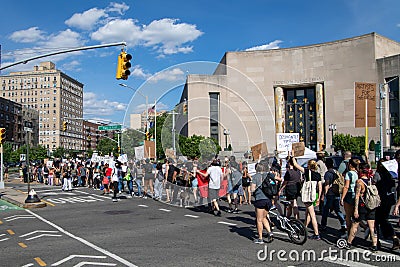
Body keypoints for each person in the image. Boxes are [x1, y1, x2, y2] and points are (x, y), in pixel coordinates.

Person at [346, 163, 378, 251]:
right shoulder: (371, 180)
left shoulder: (359, 182)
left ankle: (349, 242)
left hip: (362, 205)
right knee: (371, 226)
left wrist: (356, 209)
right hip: (372, 205)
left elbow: (357, 196)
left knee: (355, 224)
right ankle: (374, 245)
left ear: (360, 170)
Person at [292, 156, 322, 240]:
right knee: (308, 213)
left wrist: (293, 156)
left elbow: (295, 164)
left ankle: (316, 233)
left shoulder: (307, 172)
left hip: (308, 195)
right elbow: (320, 187)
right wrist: (319, 198)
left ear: (309, 165)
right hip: (314, 195)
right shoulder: (318, 175)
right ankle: (304, 228)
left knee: (312, 215)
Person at [374, 158, 399, 250]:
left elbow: (374, 186)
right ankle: (393, 236)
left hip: (379, 200)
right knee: (384, 219)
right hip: (389, 200)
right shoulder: (391, 175)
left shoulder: (377, 174)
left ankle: (376, 241)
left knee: (376, 220)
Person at [320, 157, 346, 233]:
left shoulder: (328, 173)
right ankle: (343, 223)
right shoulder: (336, 172)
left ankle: (323, 225)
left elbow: (327, 185)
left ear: (326, 165)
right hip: (336, 192)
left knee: (325, 210)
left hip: (330, 194)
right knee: (337, 210)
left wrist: (324, 195)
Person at [251, 163, 273, 244]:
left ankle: (260, 238)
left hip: (260, 199)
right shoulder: (267, 175)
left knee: (259, 220)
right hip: (268, 199)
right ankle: (270, 232)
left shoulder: (255, 176)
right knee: (264, 217)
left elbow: (252, 189)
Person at [340, 158, 360, 236]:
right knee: (355, 214)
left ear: (350, 165)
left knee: (348, 216)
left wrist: (342, 198)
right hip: (356, 193)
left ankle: (349, 232)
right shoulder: (358, 173)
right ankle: (365, 227)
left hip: (349, 194)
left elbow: (346, 186)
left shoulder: (349, 173)